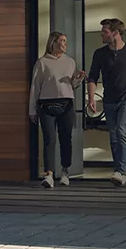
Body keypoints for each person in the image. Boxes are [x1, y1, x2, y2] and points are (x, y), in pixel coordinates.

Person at [86, 18, 126, 187]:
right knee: (113, 135)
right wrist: (91, 98)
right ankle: (118, 170)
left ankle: (121, 171)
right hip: (109, 100)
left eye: (104, 32)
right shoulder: (100, 53)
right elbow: (92, 76)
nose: (101, 34)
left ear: (115, 33)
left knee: (121, 130)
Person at [30, 32, 87, 188]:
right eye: (61, 41)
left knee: (65, 138)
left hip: (66, 104)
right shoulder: (42, 62)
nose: (64, 44)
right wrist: (32, 110)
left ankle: (65, 172)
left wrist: (79, 79)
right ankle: (49, 174)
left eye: (66, 41)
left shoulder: (70, 62)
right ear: (52, 43)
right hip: (46, 105)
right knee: (49, 139)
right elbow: (35, 87)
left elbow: (72, 85)